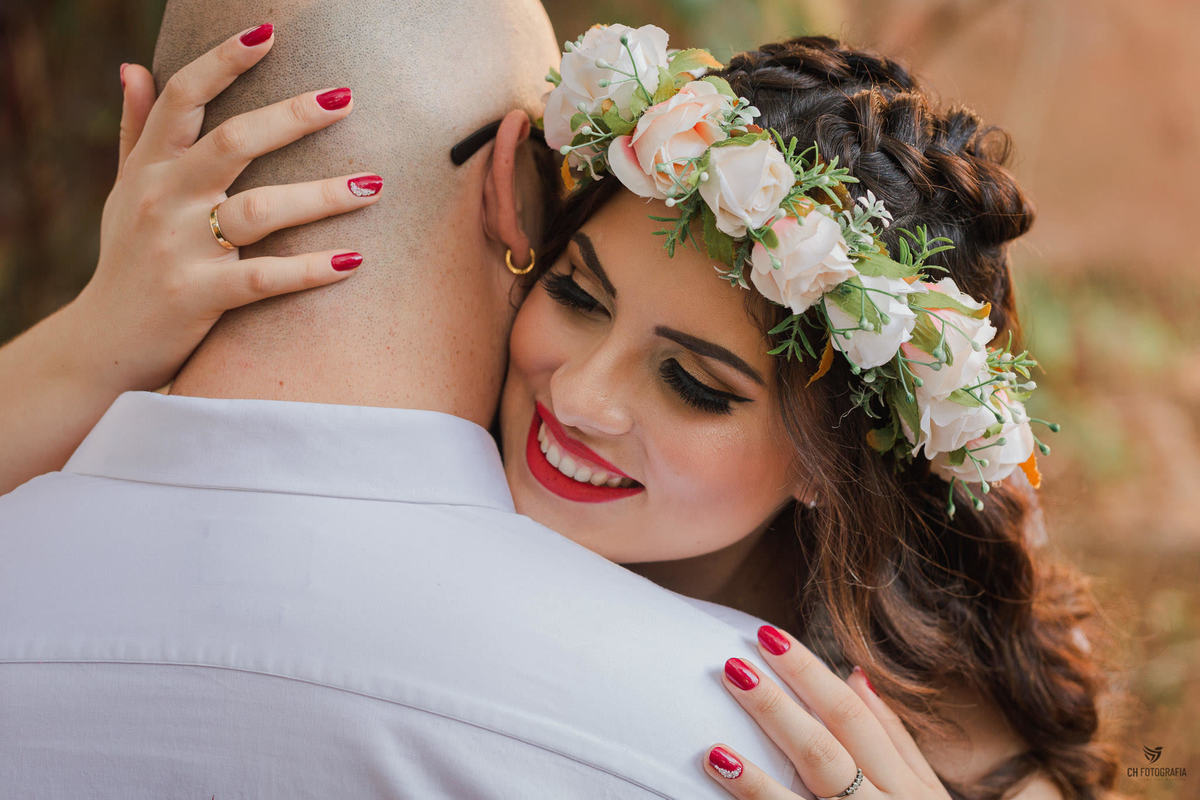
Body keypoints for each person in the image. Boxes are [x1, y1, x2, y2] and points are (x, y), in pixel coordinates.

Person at [0, 12, 1116, 800]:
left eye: (693, 384)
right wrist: (104, 331)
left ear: (833, 461)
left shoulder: (922, 748)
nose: (578, 396)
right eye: (577, 296)